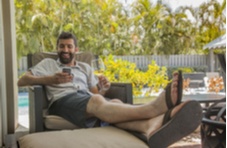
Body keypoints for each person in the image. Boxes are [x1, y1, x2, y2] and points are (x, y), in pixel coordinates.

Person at [18, 32, 202, 147]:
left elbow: (95, 96)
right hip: (62, 101)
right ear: (57, 48)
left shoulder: (85, 68)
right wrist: (50, 79)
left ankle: (151, 126)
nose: (65, 50)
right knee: (100, 102)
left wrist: (103, 89)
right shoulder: (49, 63)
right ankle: (152, 109)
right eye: (61, 46)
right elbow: (22, 80)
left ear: (76, 49)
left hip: (86, 101)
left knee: (114, 102)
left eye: (69, 46)